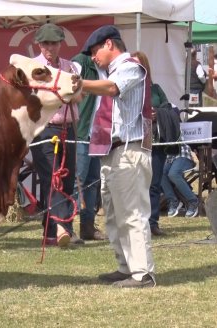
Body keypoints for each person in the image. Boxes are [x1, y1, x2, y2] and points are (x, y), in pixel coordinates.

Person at [81, 25, 156, 288]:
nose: (93, 56)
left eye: (95, 50)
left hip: (128, 150)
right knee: (113, 214)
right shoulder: (108, 71)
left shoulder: (130, 67)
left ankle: (142, 273)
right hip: (112, 151)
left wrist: (79, 84)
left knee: (132, 213)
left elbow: (113, 89)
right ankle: (126, 266)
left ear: (110, 44)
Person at [29, 23, 82, 247]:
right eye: (45, 43)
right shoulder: (31, 67)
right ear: (39, 45)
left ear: (60, 44)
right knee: (53, 177)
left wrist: (71, 90)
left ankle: (51, 232)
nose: (49, 47)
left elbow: (79, 97)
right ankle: (63, 227)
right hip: (43, 128)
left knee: (67, 179)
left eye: (53, 43)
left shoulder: (72, 67)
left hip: (68, 127)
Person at [131, 51, 171, 236]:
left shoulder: (155, 89)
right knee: (135, 184)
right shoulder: (127, 88)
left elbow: (168, 107)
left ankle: (152, 222)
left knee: (154, 184)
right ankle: (136, 222)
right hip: (134, 142)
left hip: (155, 142)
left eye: (140, 65)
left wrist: (157, 113)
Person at [71, 52, 106, 241]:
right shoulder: (81, 62)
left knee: (93, 182)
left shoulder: (108, 68)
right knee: (77, 182)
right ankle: (68, 227)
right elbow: (71, 87)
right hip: (82, 131)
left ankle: (87, 227)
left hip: (99, 133)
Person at [161, 143, 199, 218]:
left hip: (183, 154)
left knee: (174, 174)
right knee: (161, 173)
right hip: (169, 157)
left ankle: (193, 201)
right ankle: (173, 201)